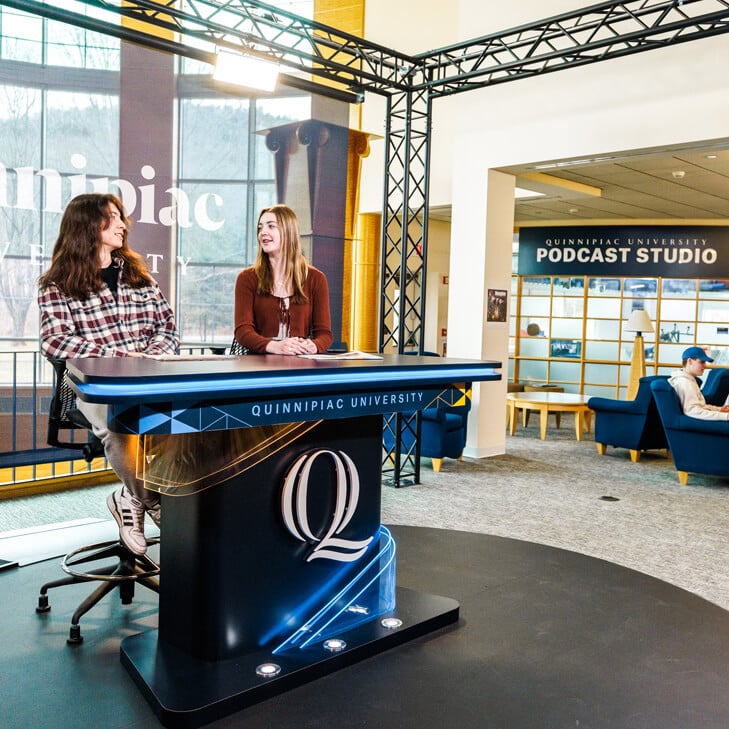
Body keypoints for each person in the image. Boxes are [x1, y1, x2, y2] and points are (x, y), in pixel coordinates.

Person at [38, 193, 179, 555]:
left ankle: (128, 498)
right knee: (123, 427)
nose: (122, 224)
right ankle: (154, 502)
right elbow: (55, 341)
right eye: (112, 217)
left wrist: (149, 356)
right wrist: (119, 357)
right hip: (93, 389)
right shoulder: (57, 283)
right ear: (88, 225)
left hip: (148, 380)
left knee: (184, 423)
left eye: (121, 217)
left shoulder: (139, 278)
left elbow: (167, 328)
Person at [234, 204, 333, 355]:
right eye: (260, 228)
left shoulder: (316, 279)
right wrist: (275, 346)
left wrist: (313, 345)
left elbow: (325, 334)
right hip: (259, 365)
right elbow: (243, 331)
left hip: (300, 365)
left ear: (288, 232)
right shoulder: (247, 278)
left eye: (271, 226)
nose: (263, 233)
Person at [667, 346, 729, 421]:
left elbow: (700, 406)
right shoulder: (685, 382)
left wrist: (719, 409)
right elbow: (692, 411)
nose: (705, 365)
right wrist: (725, 416)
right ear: (689, 361)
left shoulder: (690, 380)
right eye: (702, 362)